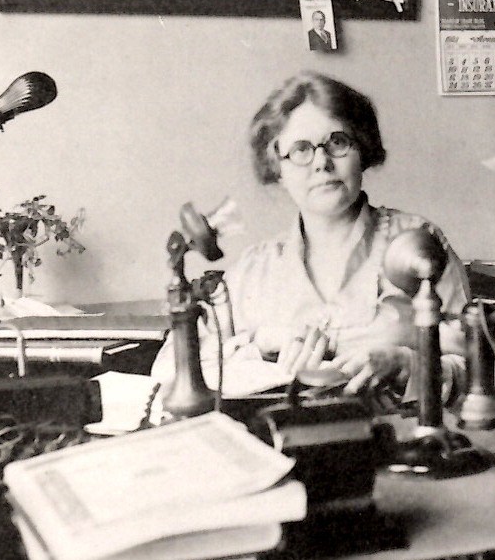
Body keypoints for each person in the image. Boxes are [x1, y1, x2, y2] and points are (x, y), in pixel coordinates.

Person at [152, 72, 469, 403]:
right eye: (301, 150)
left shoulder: (417, 244)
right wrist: (259, 343)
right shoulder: (254, 269)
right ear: (278, 168)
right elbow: (170, 370)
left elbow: (482, 366)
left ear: (362, 149)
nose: (322, 163)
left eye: (338, 143)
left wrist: (410, 365)